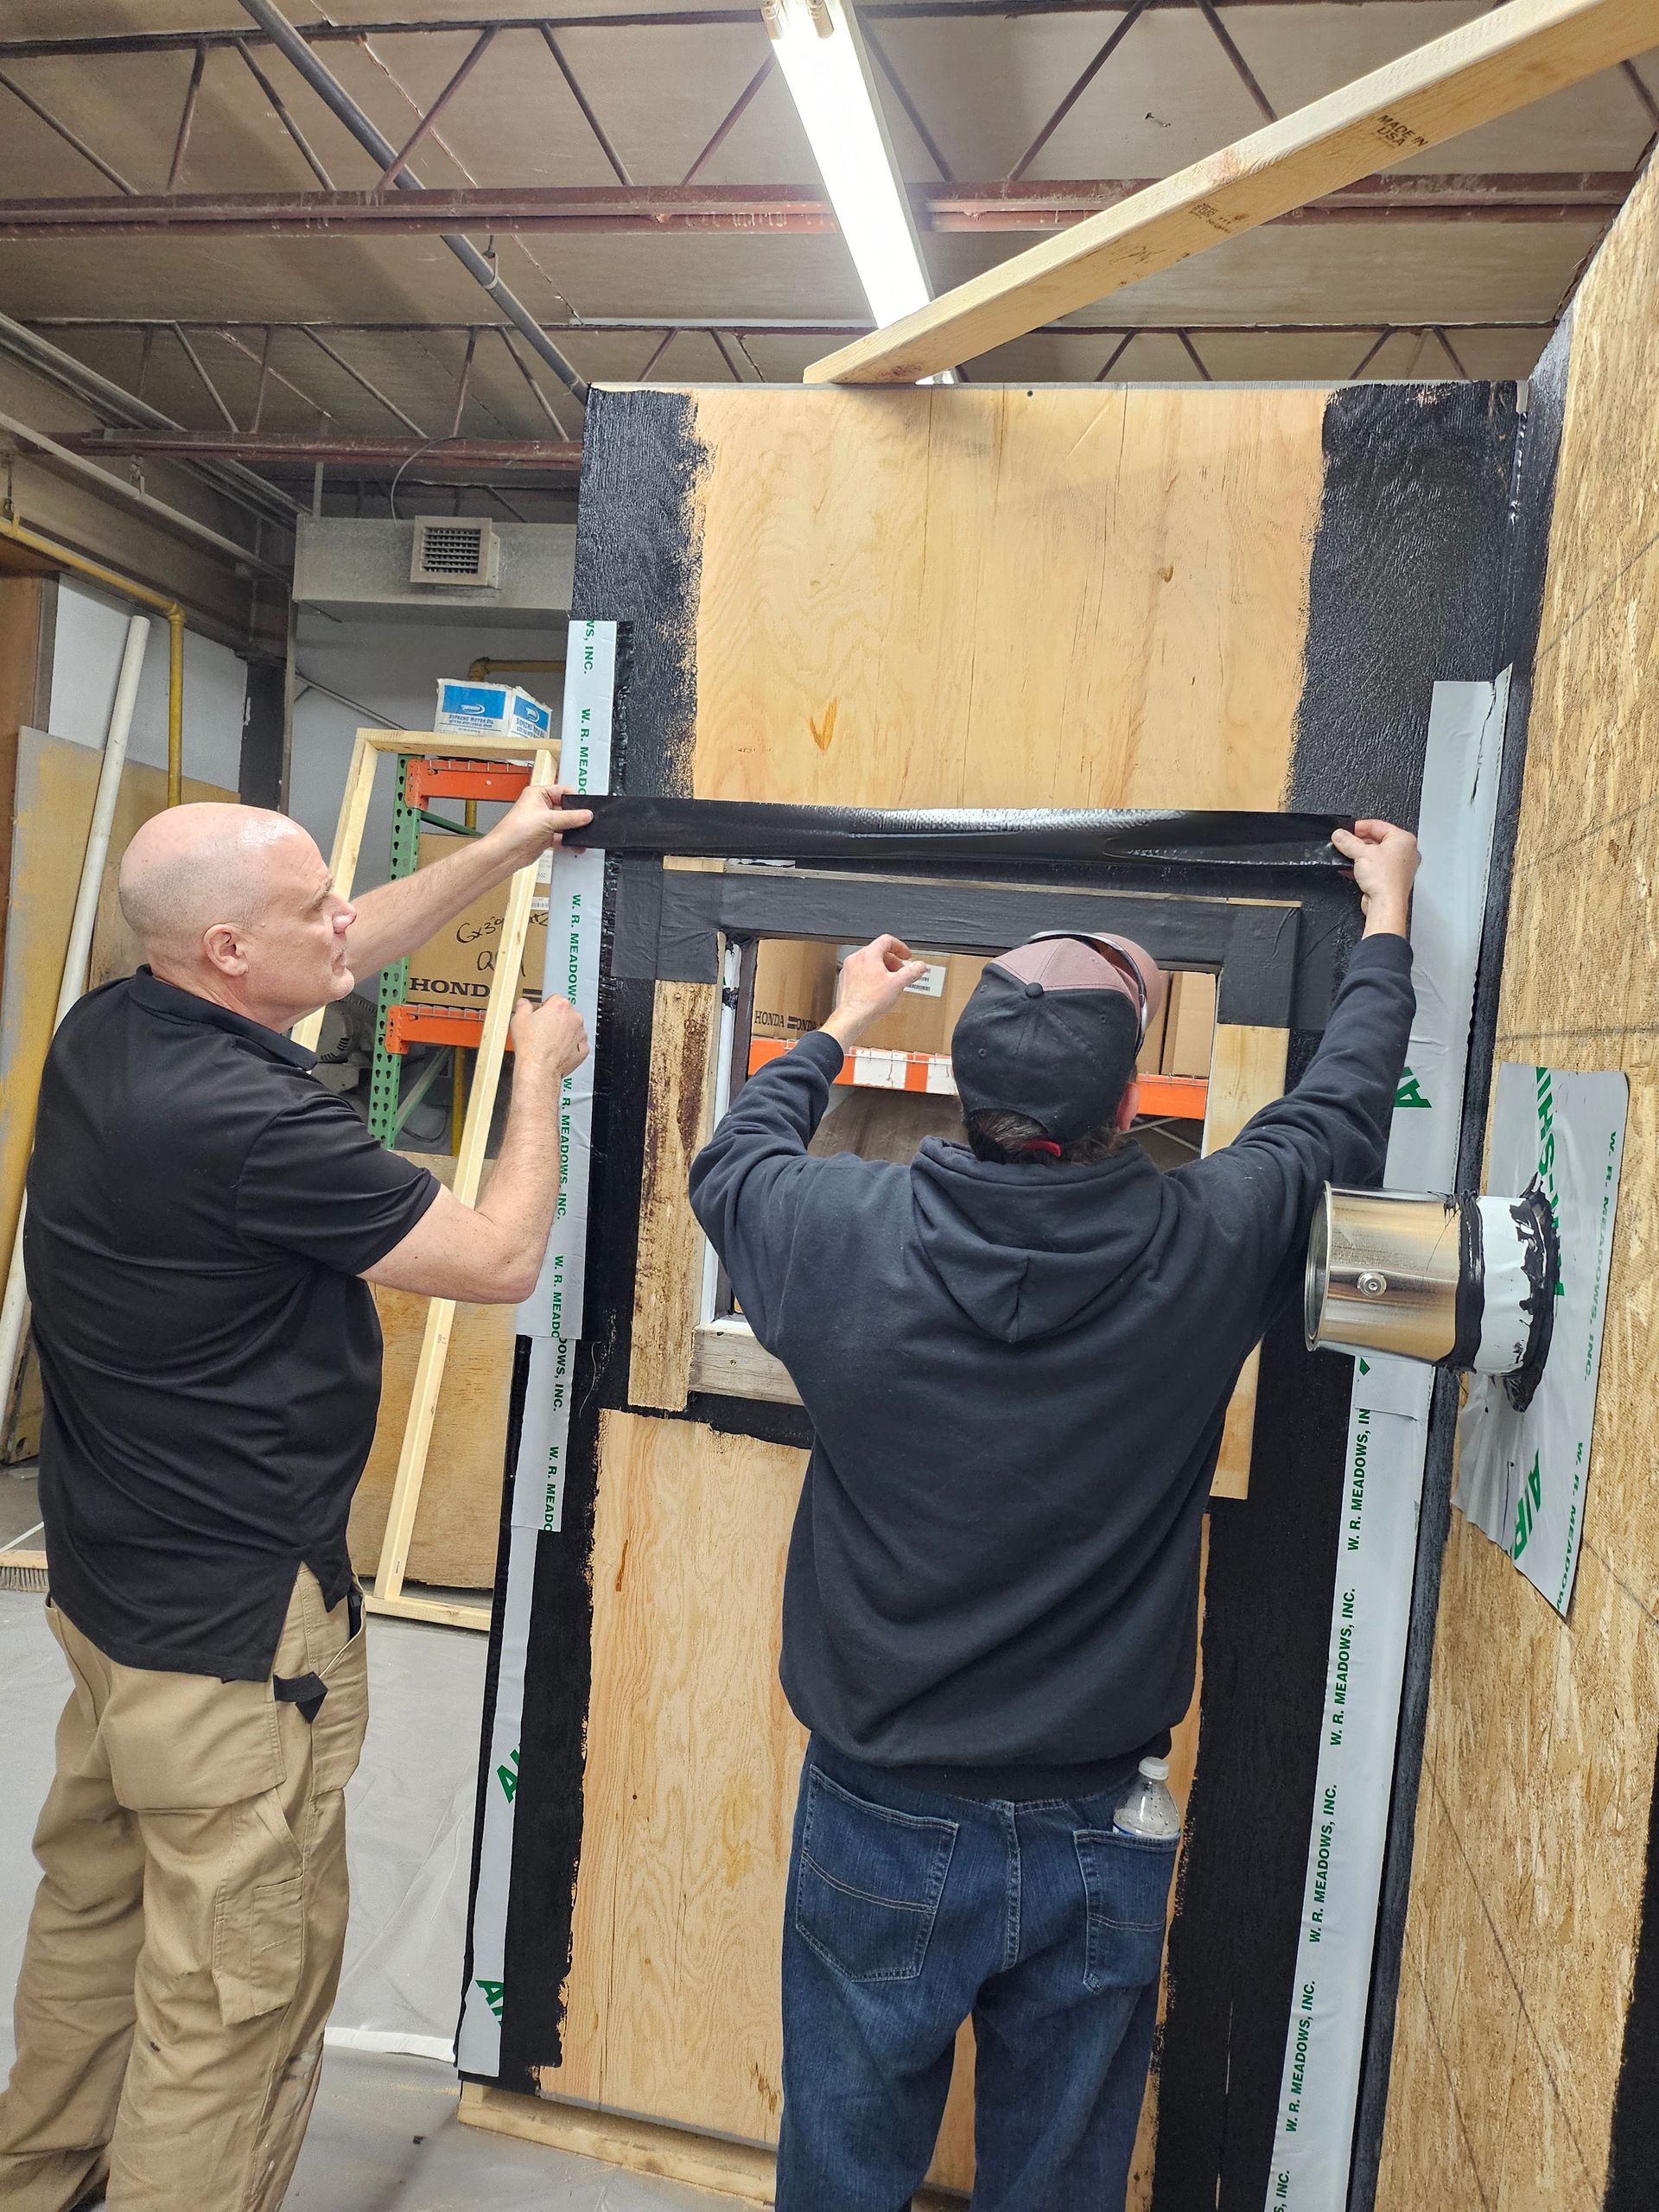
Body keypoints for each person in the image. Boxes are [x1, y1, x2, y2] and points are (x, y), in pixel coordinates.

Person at [690, 819, 1421, 2211]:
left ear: (967, 1093)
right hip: (1101, 1814)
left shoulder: (836, 1233)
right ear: (1125, 1104)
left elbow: (732, 1155)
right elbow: (1336, 1114)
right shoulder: (1206, 1239)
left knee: (842, 2171)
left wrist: (839, 1023)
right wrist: (1383, 924)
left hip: (879, 1808)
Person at [0, 785, 592, 2212]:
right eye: (312, 902)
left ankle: (38, 2181)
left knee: (96, 1921)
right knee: (234, 1990)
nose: (343, 920)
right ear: (224, 949)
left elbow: (333, 952)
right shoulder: (254, 1124)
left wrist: (501, 850)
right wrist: (538, 1078)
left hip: (115, 1595)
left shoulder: (113, 1027)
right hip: (237, 1635)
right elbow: (499, 1259)